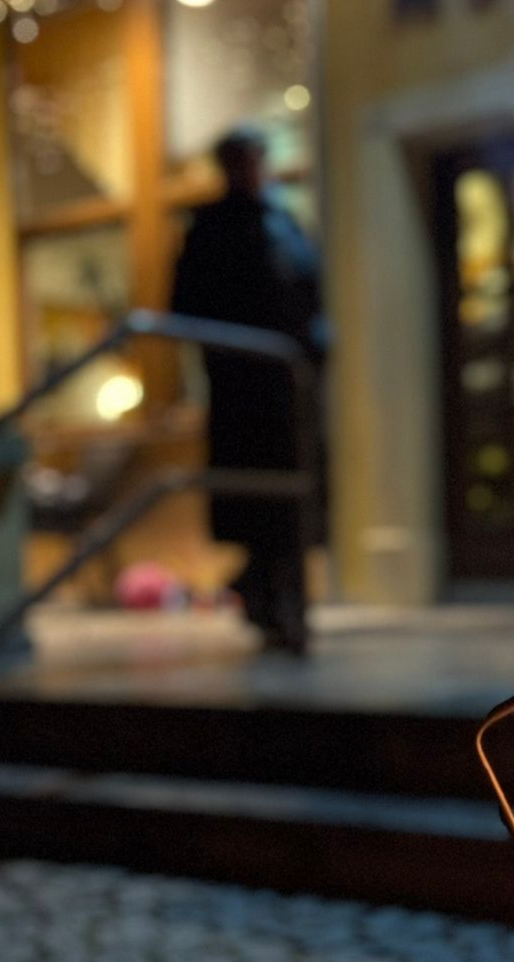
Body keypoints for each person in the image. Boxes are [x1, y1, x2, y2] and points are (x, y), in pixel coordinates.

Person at [172, 128, 325, 655]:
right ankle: (270, 604)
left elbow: (308, 293)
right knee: (261, 503)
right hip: (244, 390)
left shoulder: (285, 222)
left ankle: (284, 606)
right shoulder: (211, 228)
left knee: (292, 504)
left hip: (292, 389)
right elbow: (187, 306)